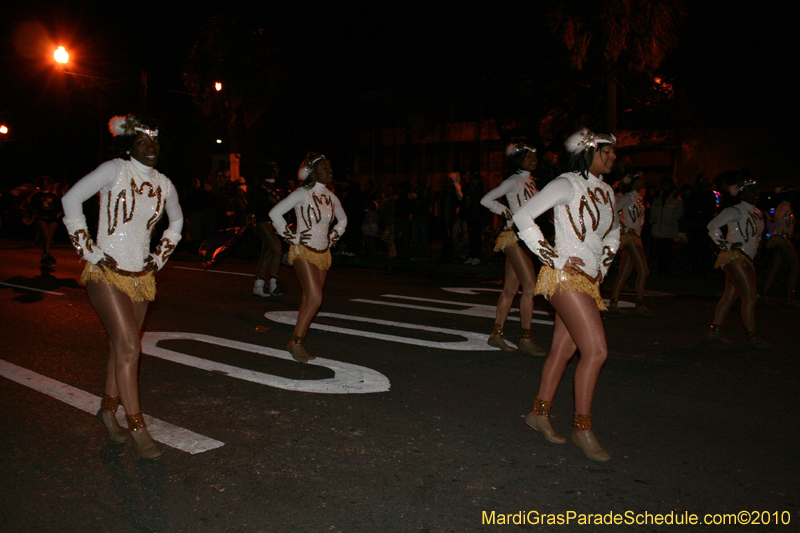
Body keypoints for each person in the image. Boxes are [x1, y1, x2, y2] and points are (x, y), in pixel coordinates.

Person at [61, 114, 183, 459]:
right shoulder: (113, 169)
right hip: (107, 274)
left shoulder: (164, 183)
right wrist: (91, 251)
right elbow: (70, 200)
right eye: (142, 142)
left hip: (141, 278)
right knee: (130, 347)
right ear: (128, 145)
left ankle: (106, 410)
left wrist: (158, 258)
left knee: (121, 347)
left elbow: (177, 222)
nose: (150, 149)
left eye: (154, 142)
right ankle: (137, 427)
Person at [513, 128, 620, 462]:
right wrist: (554, 257)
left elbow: (613, 231)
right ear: (589, 152)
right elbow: (521, 216)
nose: (613, 157)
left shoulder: (606, 191)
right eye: (607, 151)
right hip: (563, 277)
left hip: (589, 280)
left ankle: (539, 414)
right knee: (597, 351)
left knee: (562, 350)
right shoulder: (566, 183)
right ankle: (582, 428)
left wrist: (603, 264)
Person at [269, 153, 347, 362]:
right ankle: (295, 343)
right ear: (312, 172)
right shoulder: (301, 193)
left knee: (308, 298)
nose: (329, 171)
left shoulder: (331, 197)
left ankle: (298, 338)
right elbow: (275, 213)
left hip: (323, 253)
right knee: (315, 298)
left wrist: (333, 237)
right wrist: (290, 237)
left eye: (330, 167)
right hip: (303, 249)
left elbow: (343, 220)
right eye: (324, 168)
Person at [480, 143, 545, 356]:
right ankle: (526, 338)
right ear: (518, 160)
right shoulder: (513, 181)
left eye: (535, 155)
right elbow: (486, 200)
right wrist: (505, 211)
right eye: (529, 156)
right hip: (514, 237)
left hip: (526, 237)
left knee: (510, 289)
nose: (534, 159)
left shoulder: (531, 183)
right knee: (530, 286)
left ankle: (495, 335)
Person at [706, 180, 770, 349]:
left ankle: (714, 330)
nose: (756, 193)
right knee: (750, 296)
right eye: (751, 190)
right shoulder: (735, 210)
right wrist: (725, 246)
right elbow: (712, 226)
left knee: (729, 296)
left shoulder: (757, 212)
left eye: (757, 190)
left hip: (746, 258)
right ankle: (752, 336)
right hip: (734, 257)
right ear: (742, 193)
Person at [607, 173, 651, 315]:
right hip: (630, 237)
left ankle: (613, 302)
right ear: (634, 182)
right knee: (644, 271)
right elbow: (613, 210)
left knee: (624, 272)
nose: (643, 181)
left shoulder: (638, 198)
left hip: (635, 236)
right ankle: (639, 304)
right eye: (640, 179)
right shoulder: (628, 197)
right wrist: (622, 229)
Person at [250, 162, 285, 297]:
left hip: (273, 223)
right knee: (277, 250)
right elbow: (253, 206)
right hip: (263, 222)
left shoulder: (277, 187)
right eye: (275, 168)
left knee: (266, 254)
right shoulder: (259, 187)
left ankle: (258, 286)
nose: (277, 170)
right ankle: (273, 284)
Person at [761, 188, 798, 307]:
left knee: (775, 267)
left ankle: (763, 293)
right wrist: (781, 233)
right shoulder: (784, 207)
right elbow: (778, 219)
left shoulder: (786, 207)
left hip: (781, 238)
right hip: (781, 239)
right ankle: (788, 296)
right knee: (796, 266)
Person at [650, 177, 684, 275]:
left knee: (667, 250)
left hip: (668, 229)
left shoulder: (676, 199)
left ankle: (666, 269)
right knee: (659, 250)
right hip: (658, 228)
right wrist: (653, 221)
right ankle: (661, 268)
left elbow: (678, 213)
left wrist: (670, 222)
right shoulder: (658, 197)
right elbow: (653, 210)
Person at [29, 176, 62, 268]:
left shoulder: (54, 197)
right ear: (39, 185)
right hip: (41, 218)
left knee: (48, 239)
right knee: (47, 238)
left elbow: (59, 208)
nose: (45, 185)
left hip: (52, 219)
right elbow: (32, 207)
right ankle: (47, 258)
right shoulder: (36, 196)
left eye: (47, 183)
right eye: (43, 183)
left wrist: (58, 215)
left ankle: (45, 257)